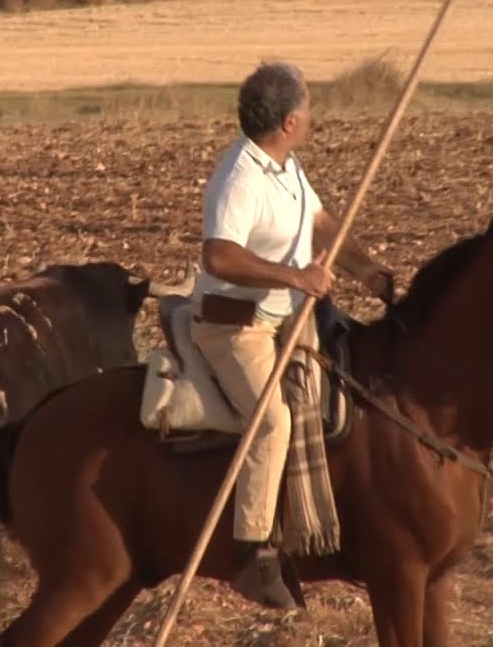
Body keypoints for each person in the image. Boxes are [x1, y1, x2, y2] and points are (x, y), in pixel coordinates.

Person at [191, 61, 393, 609]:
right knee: (272, 420)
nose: (312, 118)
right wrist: (297, 278)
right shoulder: (239, 179)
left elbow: (321, 223)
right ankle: (253, 552)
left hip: (290, 321)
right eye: (307, 110)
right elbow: (220, 255)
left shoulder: (285, 165)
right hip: (238, 329)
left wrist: (366, 269)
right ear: (287, 120)